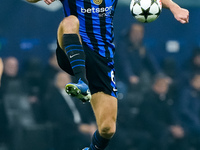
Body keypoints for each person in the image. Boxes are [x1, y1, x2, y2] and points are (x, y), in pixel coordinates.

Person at [26, 0, 189, 149]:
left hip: (102, 62)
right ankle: (81, 82)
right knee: (70, 21)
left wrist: (176, 8)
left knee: (107, 128)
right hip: (72, 49)